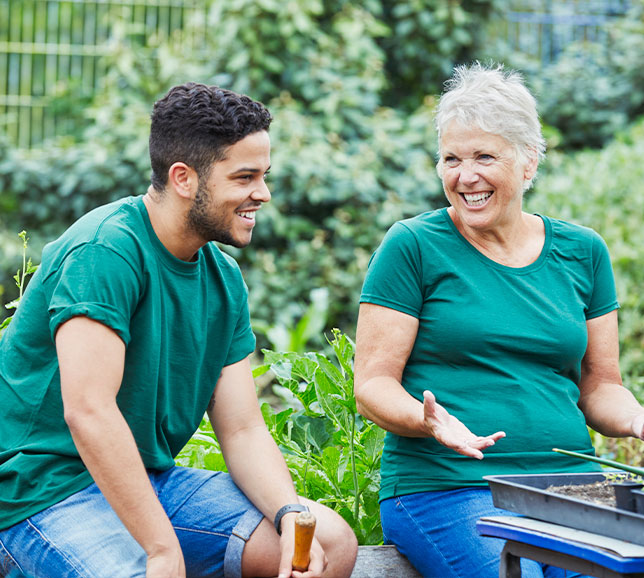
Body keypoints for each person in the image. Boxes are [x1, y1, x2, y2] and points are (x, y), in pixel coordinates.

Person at [0, 82, 357, 578]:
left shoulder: (222, 278)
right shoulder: (106, 251)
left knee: (329, 540)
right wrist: (162, 551)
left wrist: (288, 513)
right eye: (245, 177)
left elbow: (243, 428)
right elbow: (89, 412)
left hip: (148, 483)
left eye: (264, 175)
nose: (263, 193)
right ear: (184, 178)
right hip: (43, 491)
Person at [354, 62, 644, 578]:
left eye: (484, 156)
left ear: (528, 163)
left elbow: (600, 388)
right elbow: (374, 384)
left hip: (573, 488)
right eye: (451, 159)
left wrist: (639, 418)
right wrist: (427, 420)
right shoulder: (413, 246)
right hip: (450, 486)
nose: (465, 176)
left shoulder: (583, 252)